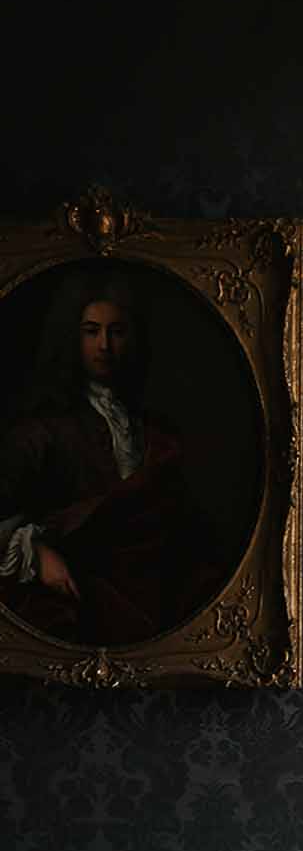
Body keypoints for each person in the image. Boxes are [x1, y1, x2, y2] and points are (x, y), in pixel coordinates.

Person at [0, 267, 224, 644]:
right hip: (80, 594)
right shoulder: (41, 431)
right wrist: (36, 550)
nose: (105, 345)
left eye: (116, 331)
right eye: (91, 331)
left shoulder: (153, 429)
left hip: (154, 593)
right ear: (72, 337)